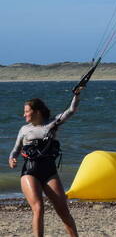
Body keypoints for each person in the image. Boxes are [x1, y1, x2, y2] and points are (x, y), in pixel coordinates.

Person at [8, 87, 85, 237]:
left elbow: (71, 110)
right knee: (38, 207)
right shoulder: (24, 129)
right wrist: (12, 158)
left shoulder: (53, 124)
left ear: (37, 112)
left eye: (26, 111)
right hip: (30, 171)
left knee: (63, 210)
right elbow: (15, 149)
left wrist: (76, 95)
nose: (24, 114)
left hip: (50, 172)